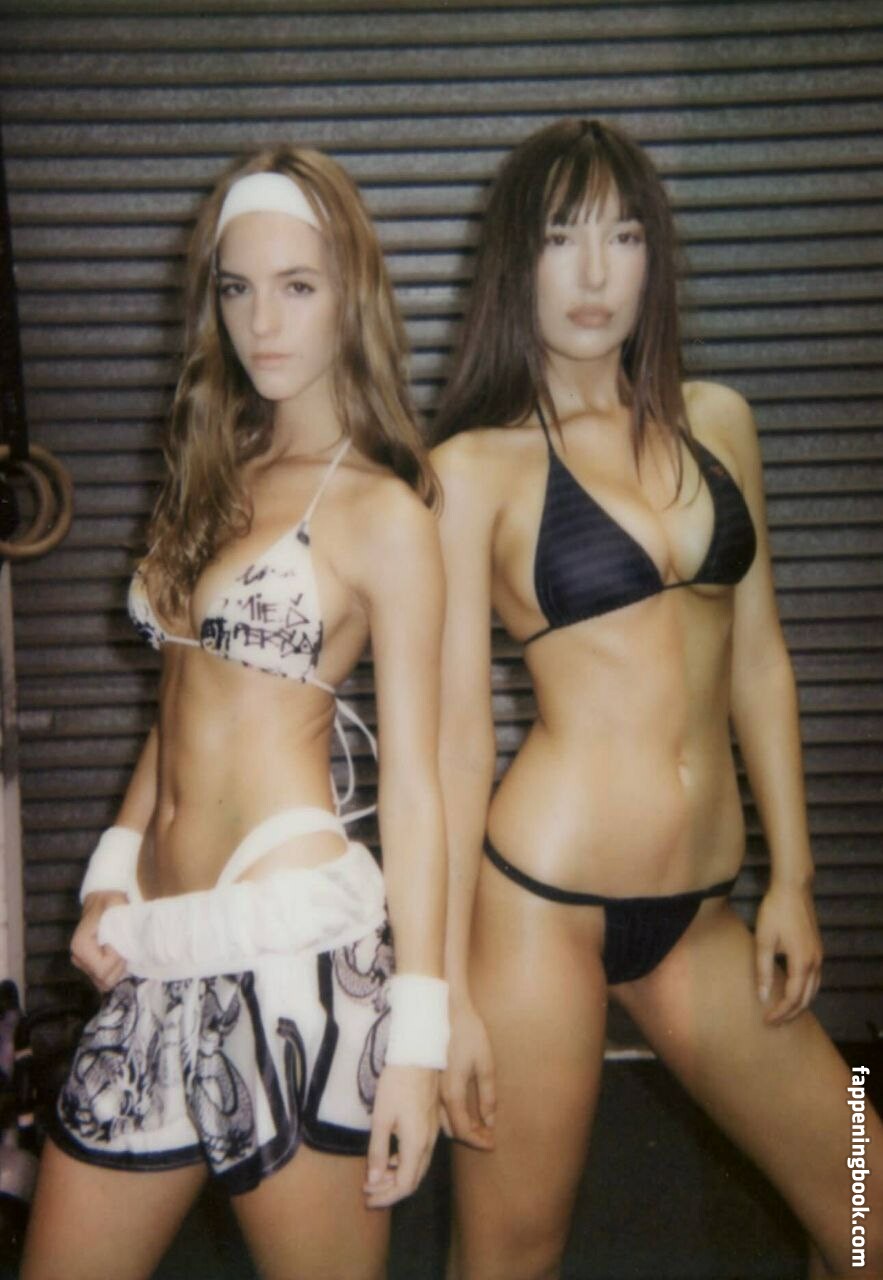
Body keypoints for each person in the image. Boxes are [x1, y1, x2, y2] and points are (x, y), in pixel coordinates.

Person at [431, 118, 881, 1280]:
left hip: (702, 906)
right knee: (511, 1257)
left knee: (864, 1203)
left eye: (623, 235)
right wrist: (441, 989)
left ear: (654, 257)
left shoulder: (718, 419)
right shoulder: (473, 467)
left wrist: (794, 877)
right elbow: (455, 742)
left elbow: (758, 659)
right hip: (542, 903)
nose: (594, 272)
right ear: (516, 260)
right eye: (561, 236)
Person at [22, 145, 448, 1280]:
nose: (263, 321)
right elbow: (181, 699)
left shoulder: (383, 508)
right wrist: (113, 866)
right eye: (237, 286)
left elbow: (418, 787)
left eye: (297, 285)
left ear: (351, 293)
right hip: (157, 948)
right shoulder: (213, 468)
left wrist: (420, 1037)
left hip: (291, 946)